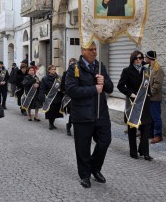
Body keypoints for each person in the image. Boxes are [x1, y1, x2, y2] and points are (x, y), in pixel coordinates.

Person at [65, 41, 113, 188]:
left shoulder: (100, 66)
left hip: (101, 114)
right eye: (91, 49)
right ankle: (85, 175)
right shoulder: (74, 69)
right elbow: (71, 91)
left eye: (95, 49)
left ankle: (95, 168)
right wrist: (94, 89)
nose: (94, 52)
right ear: (83, 50)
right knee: (82, 147)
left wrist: (103, 82)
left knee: (105, 141)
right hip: (82, 115)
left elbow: (110, 88)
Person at [117, 50, 153, 161]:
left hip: (144, 103)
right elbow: (120, 86)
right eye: (136, 58)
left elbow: (147, 86)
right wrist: (130, 93)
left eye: (140, 58)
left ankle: (144, 152)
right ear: (132, 59)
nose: (138, 60)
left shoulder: (146, 71)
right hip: (133, 103)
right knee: (132, 128)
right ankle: (133, 152)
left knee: (146, 128)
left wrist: (149, 94)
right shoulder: (127, 71)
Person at [144, 50, 165, 144]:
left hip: (154, 98)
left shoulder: (158, 69)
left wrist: (150, 93)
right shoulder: (149, 68)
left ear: (150, 58)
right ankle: (150, 133)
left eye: (146, 57)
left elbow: (157, 84)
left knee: (156, 117)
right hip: (148, 97)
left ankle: (158, 135)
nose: (144, 58)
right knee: (150, 117)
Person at [39, 65, 63, 130]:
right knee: (50, 112)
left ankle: (52, 123)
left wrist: (61, 89)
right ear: (49, 70)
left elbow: (62, 86)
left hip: (57, 97)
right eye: (52, 69)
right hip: (49, 97)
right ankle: (50, 124)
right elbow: (42, 89)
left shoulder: (59, 78)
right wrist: (42, 97)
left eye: (54, 69)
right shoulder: (45, 78)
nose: (53, 70)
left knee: (55, 111)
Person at [60, 58, 77, 136]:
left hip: (77, 95)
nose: (72, 64)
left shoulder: (79, 72)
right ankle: (69, 126)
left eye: (73, 63)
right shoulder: (65, 73)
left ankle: (71, 125)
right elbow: (62, 85)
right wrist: (66, 91)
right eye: (70, 63)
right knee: (73, 112)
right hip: (69, 96)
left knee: (76, 113)